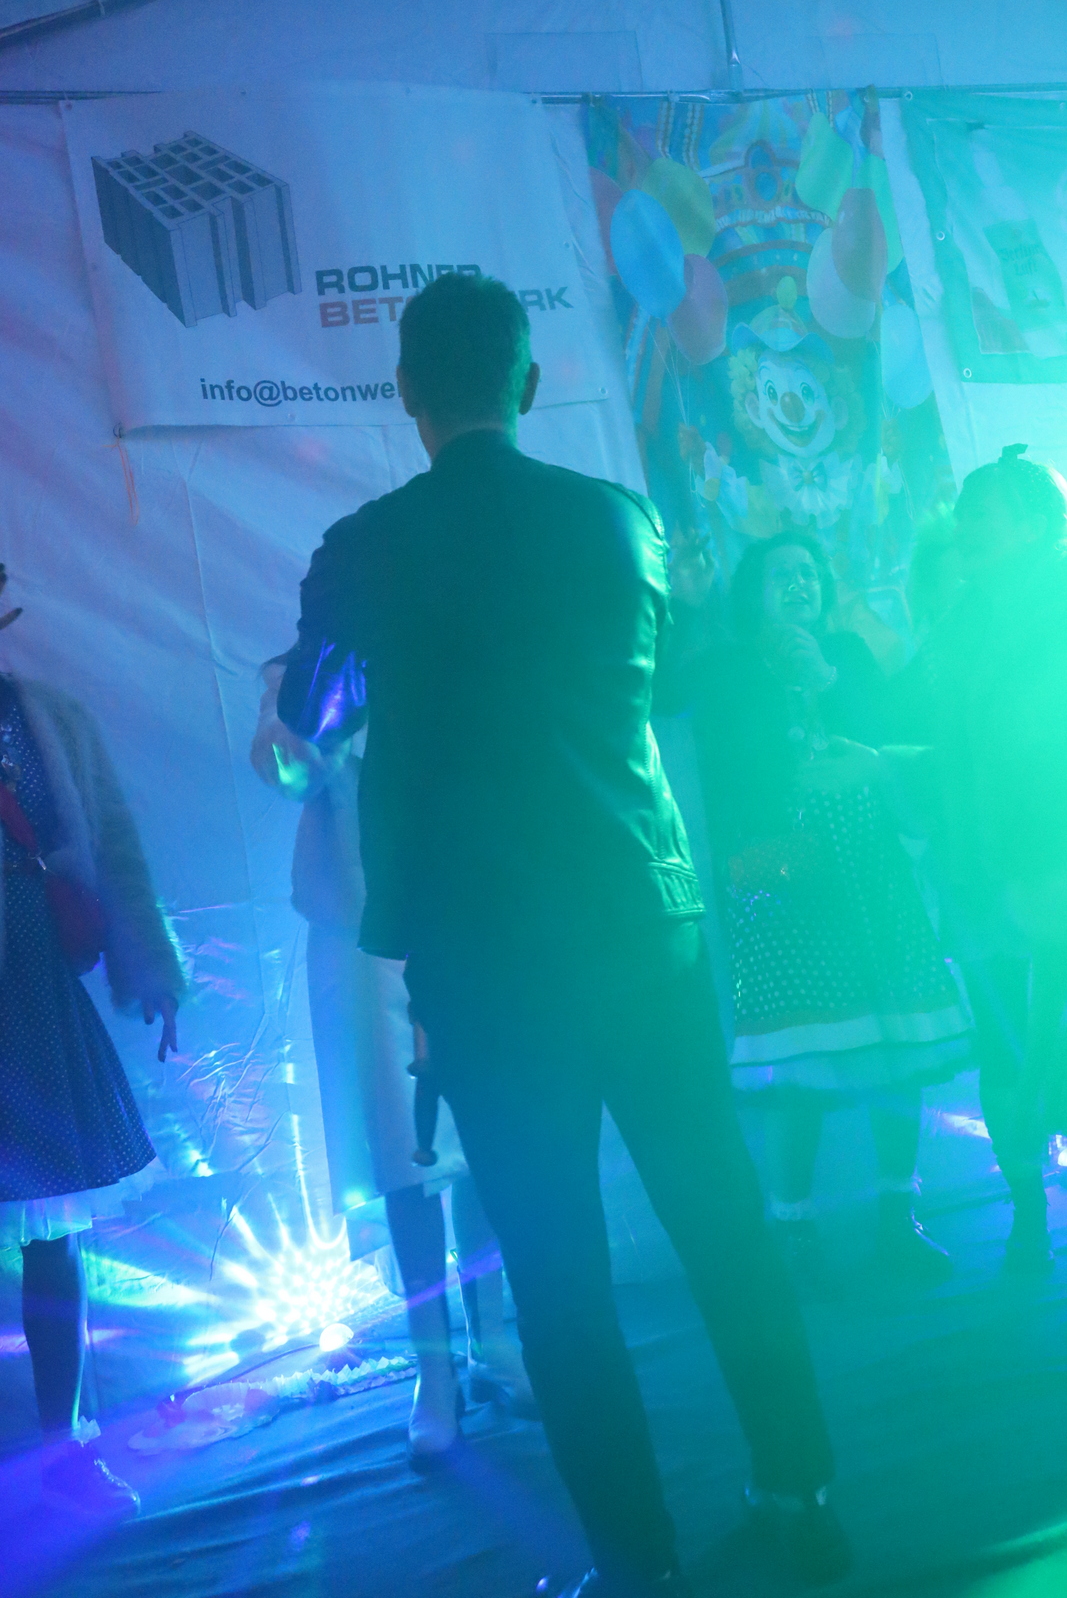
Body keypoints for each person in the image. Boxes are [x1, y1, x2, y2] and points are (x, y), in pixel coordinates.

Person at [278, 272, 849, 1598]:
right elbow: (670, 677)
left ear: (405, 394)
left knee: (555, 1268)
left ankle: (634, 1567)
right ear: (528, 384)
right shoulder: (620, 522)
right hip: (643, 922)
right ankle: (802, 1498)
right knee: (723, 1222)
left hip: (487, 958)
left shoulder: (365, 546)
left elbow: (306, 717)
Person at [671, 533, 970, 1290]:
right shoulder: (725, 666)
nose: (799, 583)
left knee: (898, 1046)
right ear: (752, 592)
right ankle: (793, 1228)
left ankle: (897, 1218)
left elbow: (893, 738)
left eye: (808, 572)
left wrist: (826, 679)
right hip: (780, 878)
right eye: (781, 574)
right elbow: (687, 723)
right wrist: (766, 676)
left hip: (871, 871)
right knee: (797, 1061)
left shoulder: (848, 655)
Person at [251, 665, 533, 1465]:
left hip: (466, 915)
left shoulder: (444, 643)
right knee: (403, 1154)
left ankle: (491, 1338)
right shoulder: (307, 670)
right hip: (366, 934)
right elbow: (284, 769)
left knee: (481, 1138)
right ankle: (434, 1370)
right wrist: (323, 706)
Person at [0, 570, 185, 1517]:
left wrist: (150, 968)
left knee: (53, 1235)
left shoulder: (47, 720)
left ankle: (64, 1450)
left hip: (32, 995)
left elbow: (110, 845)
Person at [891, 445, 1067, 1271]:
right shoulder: (961, 624)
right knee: (1002, 1044)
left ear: (1033, 520)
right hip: (980, 870)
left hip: (1044, 863)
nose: (963, 528)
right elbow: (929, 733)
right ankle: (1027, 1214)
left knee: (1037, 1046)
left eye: (980, 513)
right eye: (959, 514)